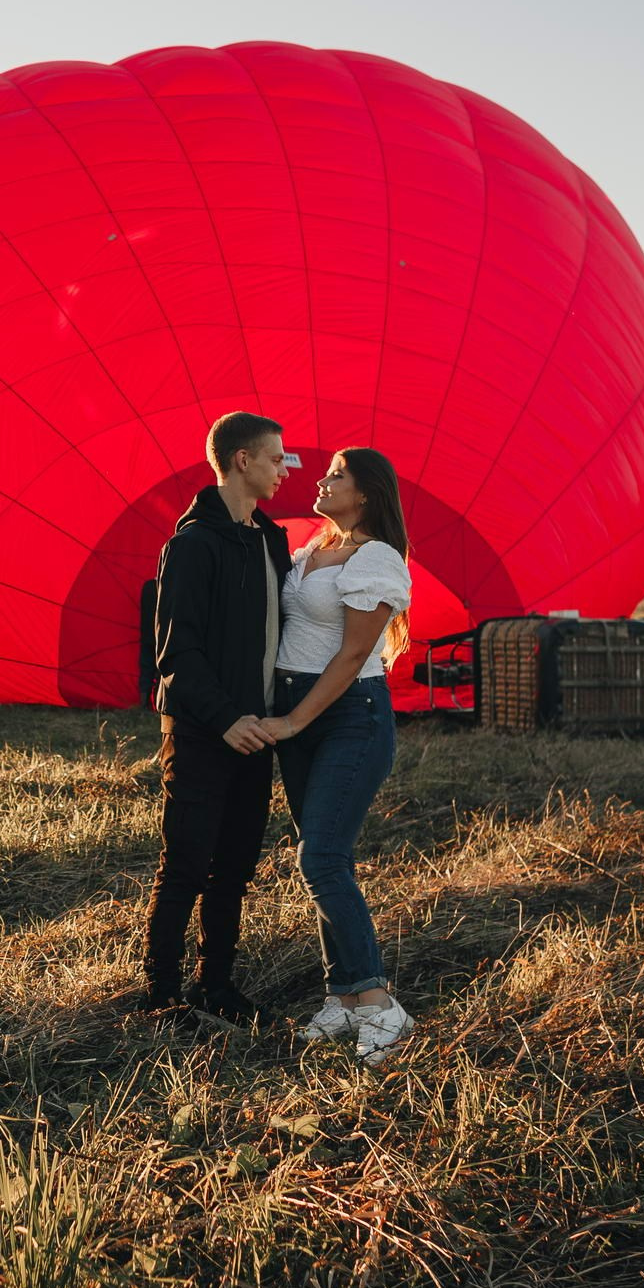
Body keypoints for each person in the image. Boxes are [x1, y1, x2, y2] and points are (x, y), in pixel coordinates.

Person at [253, 448, 416, 1065]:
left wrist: (293, 719)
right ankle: (342, 999)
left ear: (367, 492)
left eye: (337, 475)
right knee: (322, 857)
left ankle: (379, 1004)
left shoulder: (377, 558)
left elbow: (352, 655)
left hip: (348, 715)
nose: (322, 481)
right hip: (302, 712)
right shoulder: (308, 551)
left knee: (320, 857)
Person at [140, 411, 294, 1024]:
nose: (284, 471)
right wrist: (227, 717)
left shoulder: (272, 541)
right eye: (276, 459)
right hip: (205, 731)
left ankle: (218, 987)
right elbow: (176, 653)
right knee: (185, 864)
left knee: (234, 867)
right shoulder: (191, 544)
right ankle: (162, 995)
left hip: (256, 733)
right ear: (241, 461)